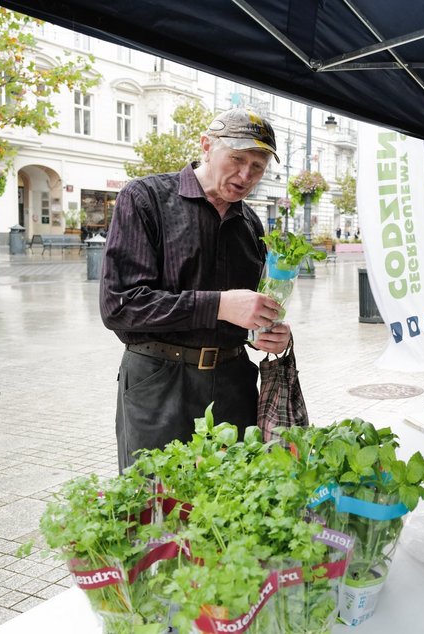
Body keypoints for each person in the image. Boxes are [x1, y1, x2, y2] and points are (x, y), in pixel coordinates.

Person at [100, 108, 291, 472]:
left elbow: (247, 312)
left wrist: (268, 331)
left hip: (233, 383)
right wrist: (219, 305)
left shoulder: (250, 223)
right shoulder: (145, 199)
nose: (245, 174)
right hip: (160, 382)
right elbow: (120, 306)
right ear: (206, 146)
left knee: (232, 504)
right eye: (237, 159)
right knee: (157, 507)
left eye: (258, 166)